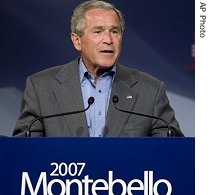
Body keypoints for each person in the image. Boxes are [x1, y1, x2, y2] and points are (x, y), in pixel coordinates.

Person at [13, 0, 184, 137]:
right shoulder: (41, 88)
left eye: (114, 31)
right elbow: (25, 155)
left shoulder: (150, 90)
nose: (108, 39)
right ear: (76, 40)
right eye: (98, 31)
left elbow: (171, 155)